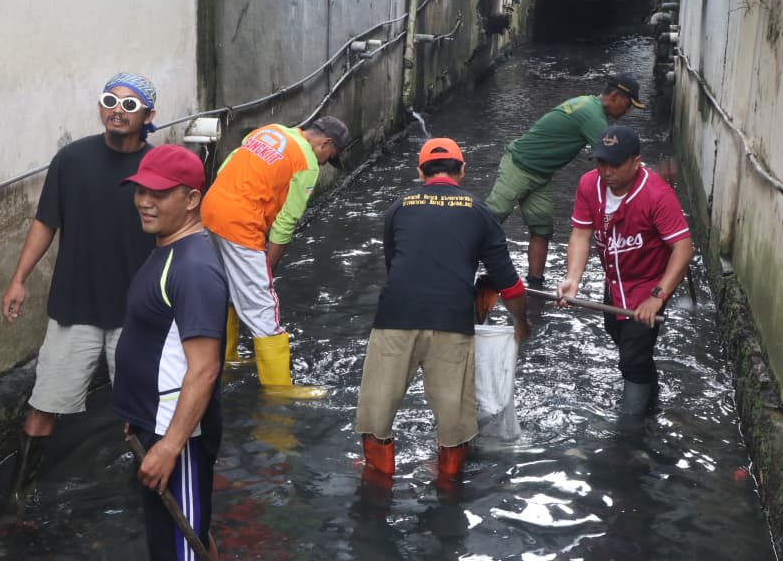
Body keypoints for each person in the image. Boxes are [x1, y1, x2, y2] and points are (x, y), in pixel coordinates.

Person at [1, 72, 158, 500]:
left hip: (137, 314)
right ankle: (17, 499)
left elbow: (178, 235)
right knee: (43, 405)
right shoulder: (70, 160)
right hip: (76, 308)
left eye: (130, 105)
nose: (117, 111)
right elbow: (45, 222)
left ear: (149, 115)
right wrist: (19, 280)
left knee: (145, 414)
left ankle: (149, 501)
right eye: (110, 101)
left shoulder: (157, 167)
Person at [355, 138, 531, 485]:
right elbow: (510, 285)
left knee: (376, 412)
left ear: (420, 172)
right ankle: (446, 483)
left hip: (396, 318)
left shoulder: (399, 208)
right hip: (451, 322)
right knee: (454, 421)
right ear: (462, 170)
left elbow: (395, 265)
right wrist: (520, 323)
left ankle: (378, 480)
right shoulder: (480, 212)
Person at [113, 144, 226, 561]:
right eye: (141, 190)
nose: (144, 201)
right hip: (153, 423)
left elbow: (204, 370)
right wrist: (136, 416)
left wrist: (169, 446)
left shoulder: (193, 268)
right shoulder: (167, 250)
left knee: (183, 549)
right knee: (189, 534)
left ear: (192, 199)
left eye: (159, 193)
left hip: (176, 435)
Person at [200, 116, 350, 400]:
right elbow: (286, 222)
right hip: (240, 225)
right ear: (325, 143)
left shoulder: (270, 131)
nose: (325, 163)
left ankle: (229, 358)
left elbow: (228, 164)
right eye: (330, 157)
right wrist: (269, 264)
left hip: (210, 211)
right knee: (264, 308)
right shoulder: (305, 162)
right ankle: (279, 390)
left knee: (225, 289)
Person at [556, 125, 693, 416]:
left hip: (648, 282)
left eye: (615, 164)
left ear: (636, 161)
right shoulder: (588, 185)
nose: (607, 171)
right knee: (619, 337)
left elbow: (683, 248)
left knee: (632, 356)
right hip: (615, 281)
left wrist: (657, 296)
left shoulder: (657, 194)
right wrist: (572, 279)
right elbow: (581, 233)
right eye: (601, 162)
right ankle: (652, 395)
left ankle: (631, 429)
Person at [484, 73, 645, 291]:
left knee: (542, 229)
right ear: (615, 96)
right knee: (488, 220)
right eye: (628, 105)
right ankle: (455, 263)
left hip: (541, 174)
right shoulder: (592, 116)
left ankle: (535, 286)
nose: (627, 112)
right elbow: (614, 156)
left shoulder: (589, 105)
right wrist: (648, 177)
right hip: (519, 166)